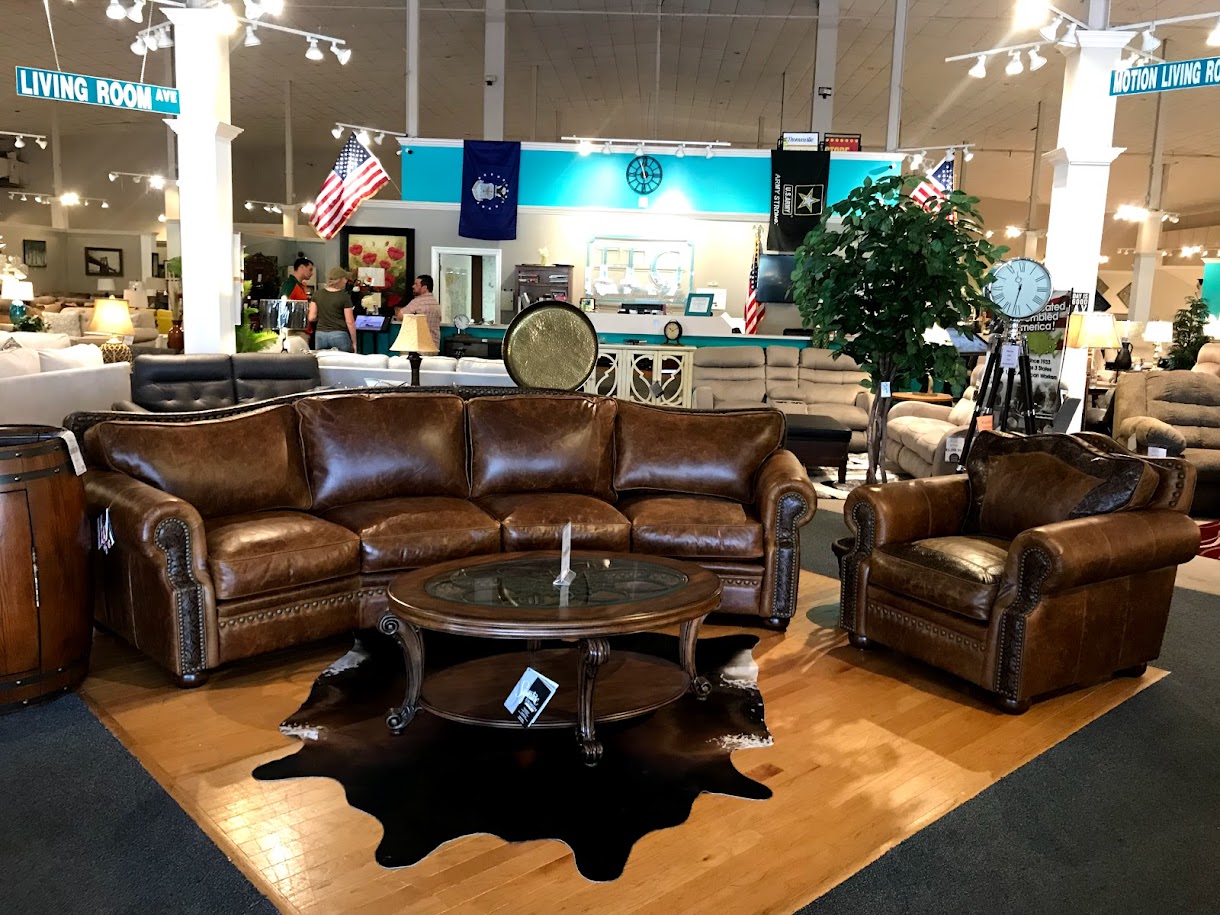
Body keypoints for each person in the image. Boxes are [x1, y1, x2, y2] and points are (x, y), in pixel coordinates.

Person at [309, 267, 358, 353]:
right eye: (345, 278)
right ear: (340, 280)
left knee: (322, 360)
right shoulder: (344, 297)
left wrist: (323, 316)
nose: (346, 281)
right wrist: (354, 342)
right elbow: (350, 321)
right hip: (339, 335)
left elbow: (311, 317)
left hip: (320, 335)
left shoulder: (317, 294)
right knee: (342, 361)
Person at [398, 274, 441, 352]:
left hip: (418, 347)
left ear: (424, 288)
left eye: (416, 284)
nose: (413, 286)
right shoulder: (435, 303)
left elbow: (400, 315)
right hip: (434, 346)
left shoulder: (418, 302)